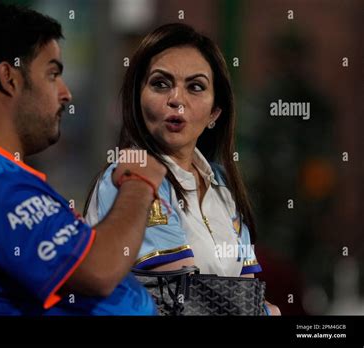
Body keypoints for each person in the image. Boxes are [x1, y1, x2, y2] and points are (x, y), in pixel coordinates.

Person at [0, 4, 166, 315]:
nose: (66, 94)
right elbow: (99, 270)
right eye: (52, 74)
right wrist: (139, 181)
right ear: (9, 78)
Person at [84, 23, 280, 315]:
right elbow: (177, 302)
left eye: (196, 87)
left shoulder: (223, 186)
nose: (176, 99)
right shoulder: (130, 177)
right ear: (137, 99)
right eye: (161, 84)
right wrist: (267, 313)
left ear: (215, 112)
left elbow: (246, 288)